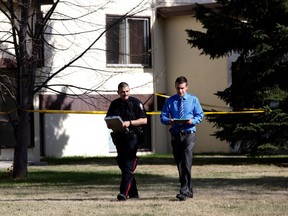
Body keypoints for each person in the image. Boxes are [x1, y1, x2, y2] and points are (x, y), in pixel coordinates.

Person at [160, 76, 204, 201]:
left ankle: (184, 191)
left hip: (189, 134)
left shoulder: (193, 100)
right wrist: (170, 121)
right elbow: (163, 117)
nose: (180, 91)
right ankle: (188, 189)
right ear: (175, 87)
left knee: (186, 160)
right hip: (175, 134)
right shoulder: (170, 101)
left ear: (187, 87)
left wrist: (192, 120)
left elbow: (200, 115)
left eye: (182, 88)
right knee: (180, 163)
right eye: (178, 88)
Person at [105, 82, 147, 201]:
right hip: (119, 137)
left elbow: (144, 120)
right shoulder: (114, 104)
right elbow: (109, 119)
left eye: (127, 91)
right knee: (122, 164)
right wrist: (110, 124)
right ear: (118, 92)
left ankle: (123, 193)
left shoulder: (136, 103)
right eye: (123, 92)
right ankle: (133, 193)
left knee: (128, 165)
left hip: (132, 137)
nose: (125, 94)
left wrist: (130, 123)